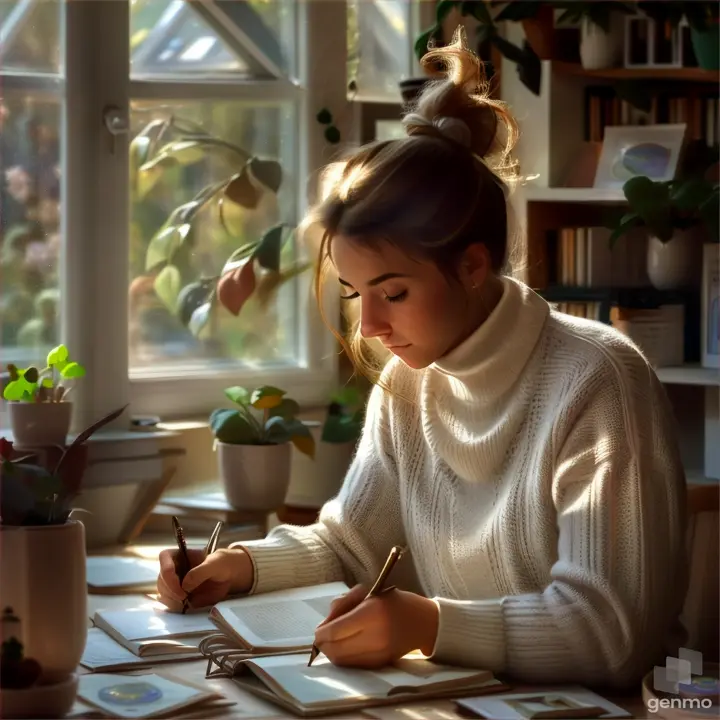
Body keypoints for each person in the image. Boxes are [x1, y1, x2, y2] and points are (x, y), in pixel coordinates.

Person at [157, 29, 688, 689]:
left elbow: (608, 636)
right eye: (355, 294)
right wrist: (242, 565)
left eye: (395, 293)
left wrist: (429, 625)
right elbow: (351, 545)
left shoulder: (597, 380)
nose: (372, 325)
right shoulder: (410, 386)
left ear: (472, 265)